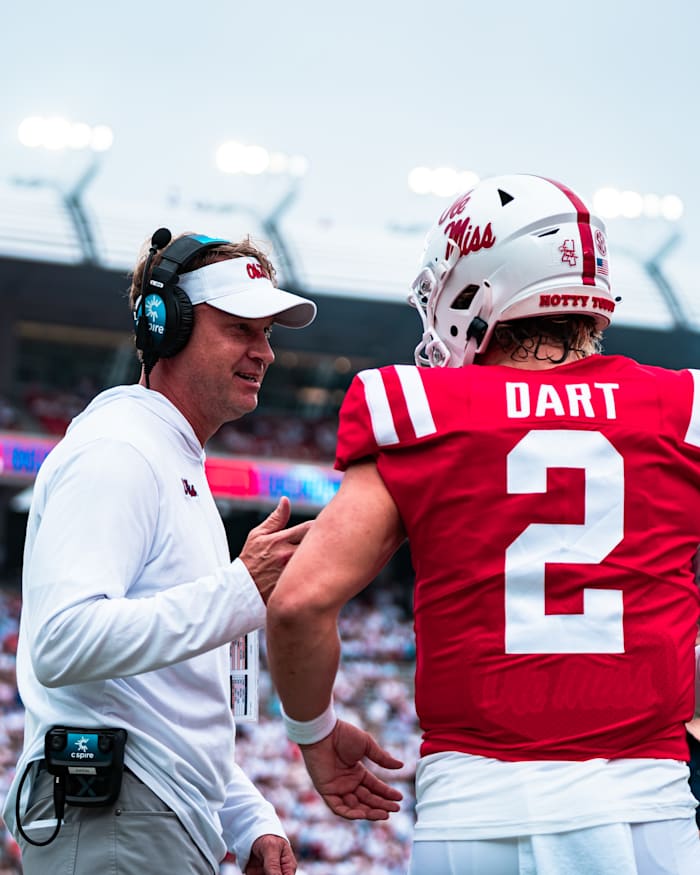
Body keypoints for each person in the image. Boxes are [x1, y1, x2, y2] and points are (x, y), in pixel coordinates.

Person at [266, 174, 700, 875]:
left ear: (482, 288)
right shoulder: (682, 408)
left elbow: (299, 601)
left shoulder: (420, 407)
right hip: (644, 807)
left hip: (474, 809)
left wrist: (313, 736)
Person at [3, 228, 318, 875]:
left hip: (145, 816)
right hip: (118, 815)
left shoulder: (169, 458)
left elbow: (161, 705)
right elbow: (63, 640)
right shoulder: (121, 452)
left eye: (268, 334)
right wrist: (240, 589)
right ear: (165, 327)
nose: (265, 353)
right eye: (240, 328)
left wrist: (248, 817)